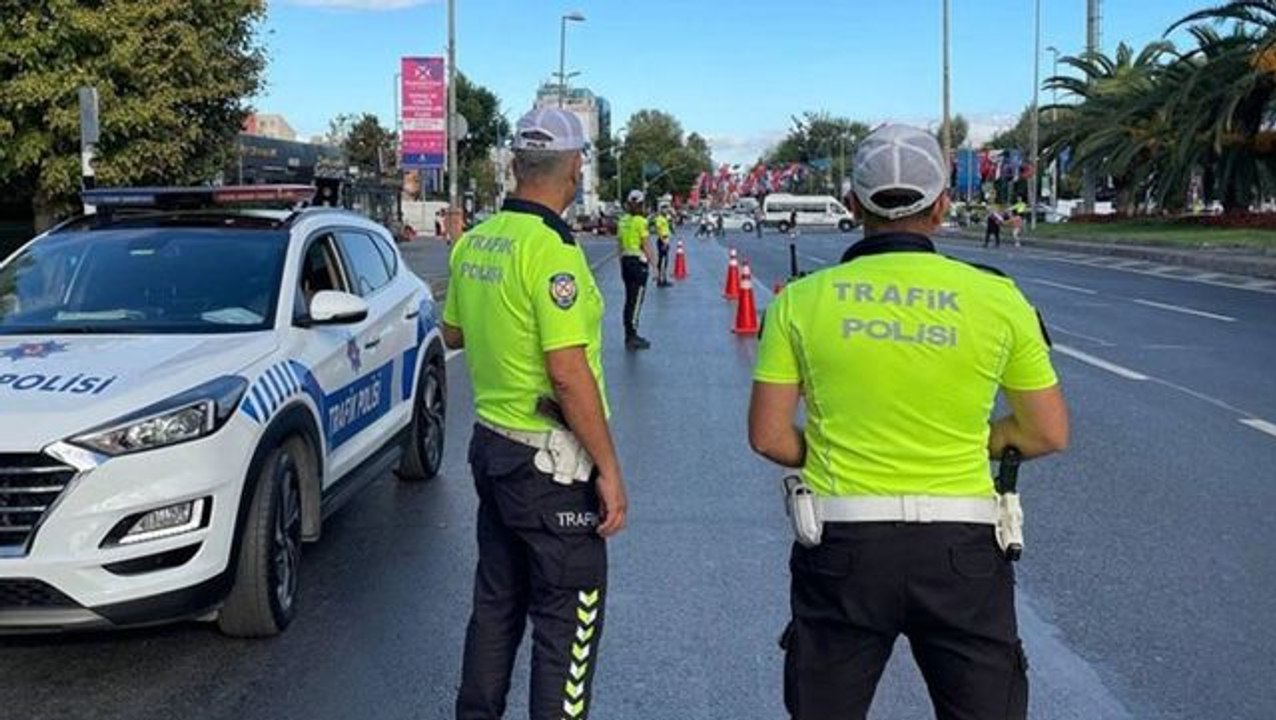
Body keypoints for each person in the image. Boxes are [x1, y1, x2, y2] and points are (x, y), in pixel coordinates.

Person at [748, 124, 1069, 720]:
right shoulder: (998, 298)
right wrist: (977, 439)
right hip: (962, 552)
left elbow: (769, 436)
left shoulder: (800, 299)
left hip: (843, 547)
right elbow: (1046, 431)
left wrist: (831, 443)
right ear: (942, 206)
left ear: (852, 205)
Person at [444, 107, 630, 720]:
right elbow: (568, 375)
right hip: (550, 468)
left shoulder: (476, 242)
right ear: (575, 168)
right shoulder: (552, 252)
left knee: (496, 605)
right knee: (566, 623)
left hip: (492, 448)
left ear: (516, 165)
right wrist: (608, 469)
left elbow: (452, 333)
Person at [617, 190, 654, 350]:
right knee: (637, 300)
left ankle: (628, 333)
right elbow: (646, 245)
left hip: (626, 261)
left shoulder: (622, 221)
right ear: (640, 204)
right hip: (638, 263)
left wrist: (621, 262)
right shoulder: (641, 221)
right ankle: (632, 336)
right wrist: (656, 266)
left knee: (629, 300)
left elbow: (619, 244)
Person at [654, 209, 674, 287]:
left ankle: (664, 279)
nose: (666, 211)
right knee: (662, 260)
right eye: (665, 210)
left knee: (665, 260)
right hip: (662, 239)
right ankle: (660, 280)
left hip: (665, 239)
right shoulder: (659, 219)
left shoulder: (665, 218)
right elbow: (658, 230)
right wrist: (663, 240)